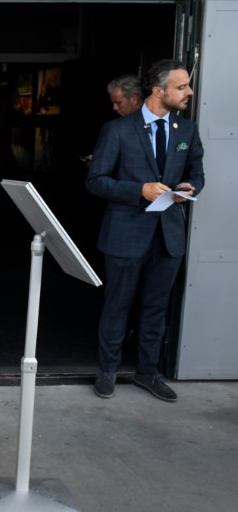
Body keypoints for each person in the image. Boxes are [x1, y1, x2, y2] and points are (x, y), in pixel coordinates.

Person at [86, 59, 204, 402]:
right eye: (181, 87)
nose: (189, 92)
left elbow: (198, 175)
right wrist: (139, 190)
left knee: (156, 309)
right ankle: (107, 371)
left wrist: (190, 186)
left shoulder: (188, 131)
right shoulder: (117, 130)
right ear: (158, 91)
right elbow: (96, 181)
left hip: (169, 237)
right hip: (125, 235)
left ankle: (149, 373)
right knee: (117, 307)